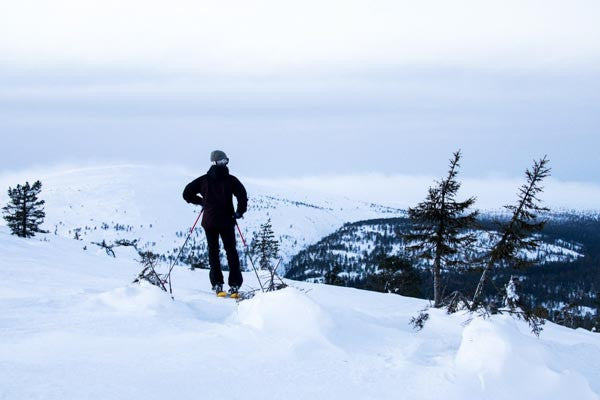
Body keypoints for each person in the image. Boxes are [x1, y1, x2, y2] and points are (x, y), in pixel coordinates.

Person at [182, 150, 248, 298]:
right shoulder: (231, 180)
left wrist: (201, 202)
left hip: (209, 222)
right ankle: (235, 284)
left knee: (213, 252)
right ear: (218, 162)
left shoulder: (204, 180)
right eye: (224, 161)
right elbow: (242, 194)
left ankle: (217, 283)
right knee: (231, 251)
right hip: (227, 221)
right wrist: (239, 212)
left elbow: (186, 193)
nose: (225, 163)